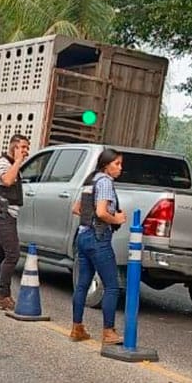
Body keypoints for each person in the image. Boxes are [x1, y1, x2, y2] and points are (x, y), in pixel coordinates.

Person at [70, 148, 127, 346]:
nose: (120, 168)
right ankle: (108, 332)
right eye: (117, 164)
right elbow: (102, 212)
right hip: (98, 237)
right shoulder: (105, 183)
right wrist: (117, 218)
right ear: (106, 164)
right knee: (112, 286)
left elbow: (76, 208)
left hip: (83, 235)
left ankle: (77, 327)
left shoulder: (90, 180)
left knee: (82, 284)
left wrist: (90, 216)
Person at [0, 133, 30, 310]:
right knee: (13, 255)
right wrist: (18, 161)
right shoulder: (2, 163)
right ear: (14, 147)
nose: (26, 151)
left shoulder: (11, 165)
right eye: (23, 147)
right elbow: (7, 180)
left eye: (27, 147)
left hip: (5, 216)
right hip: (1, 216)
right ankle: (4, 296)